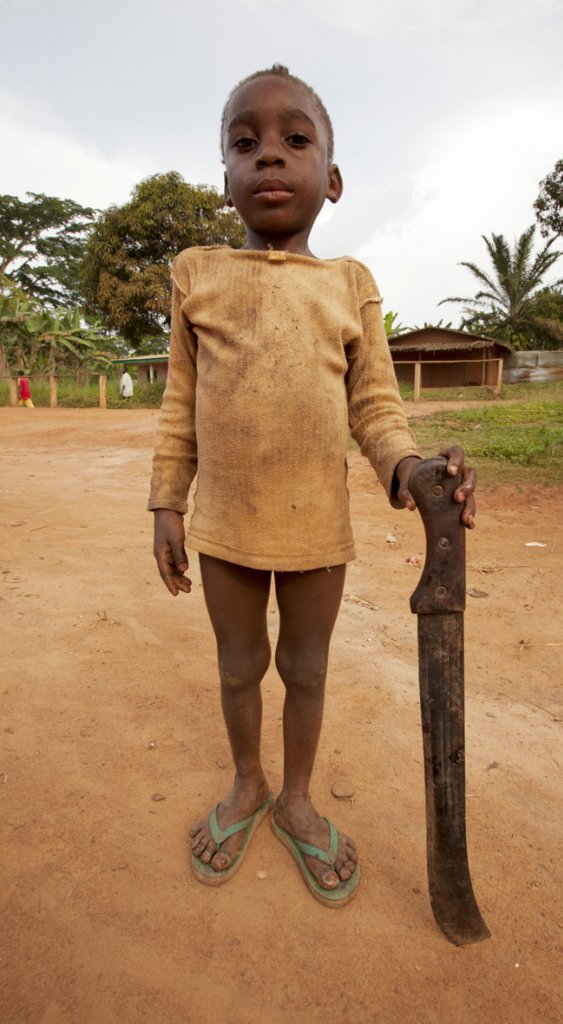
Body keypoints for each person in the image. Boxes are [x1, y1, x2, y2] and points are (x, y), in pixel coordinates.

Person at [148, 65, 477, 905]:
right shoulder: (196, 274)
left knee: (304, 668)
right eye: (244, 142)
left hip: (314, 529)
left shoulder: (350, 285)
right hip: (223, 521)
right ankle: (248, 782)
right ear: (224, 178)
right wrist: (165, 502)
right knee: (236, 666)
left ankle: (295, 797)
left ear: (329, 178)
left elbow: (374, 409)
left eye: (294, 140)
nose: (268, 157)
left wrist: (412, 472)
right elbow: (179, 405)